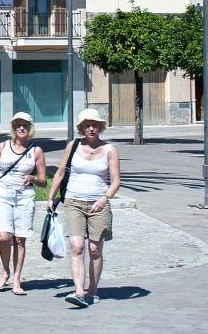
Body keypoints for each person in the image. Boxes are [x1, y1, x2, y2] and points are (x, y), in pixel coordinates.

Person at [48, 107, 121, 308]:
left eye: (95, 125)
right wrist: (51, 196)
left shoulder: (109, 150)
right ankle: (79, 291)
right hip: (73, 202)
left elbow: (115, 181)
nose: (91, 128)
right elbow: (60, 173)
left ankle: (92, 290)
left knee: (95, 250)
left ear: (100, 127)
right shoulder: (73, 146)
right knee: (77, 247)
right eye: (87, 125)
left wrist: (104, 199)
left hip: (99, 204)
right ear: (82, 128)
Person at [0, 111, 47, 295]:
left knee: (19, 239)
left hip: (24, 197)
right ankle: (5, 271)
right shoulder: (2, 147)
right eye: (18, 125)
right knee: (4, 236)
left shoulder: (36, 151)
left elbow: (43, 181)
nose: (21, 128)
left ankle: (16, 279)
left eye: (25, 125)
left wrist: (32, 178)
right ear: (13, 128)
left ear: (30, 128)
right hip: (3, 195)